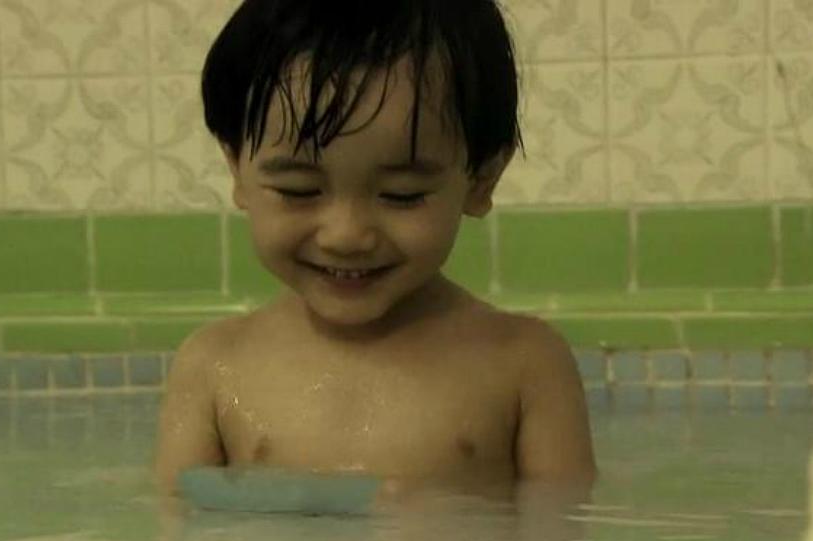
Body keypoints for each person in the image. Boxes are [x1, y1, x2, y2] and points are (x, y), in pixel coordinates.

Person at [154, 0, 595, 504]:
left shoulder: (523, 365)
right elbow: (177, 527)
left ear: (481, 179)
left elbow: (560, 529)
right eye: (299, 190)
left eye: (401, 195)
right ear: (237, 170)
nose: (346, 235)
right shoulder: (214, 365)